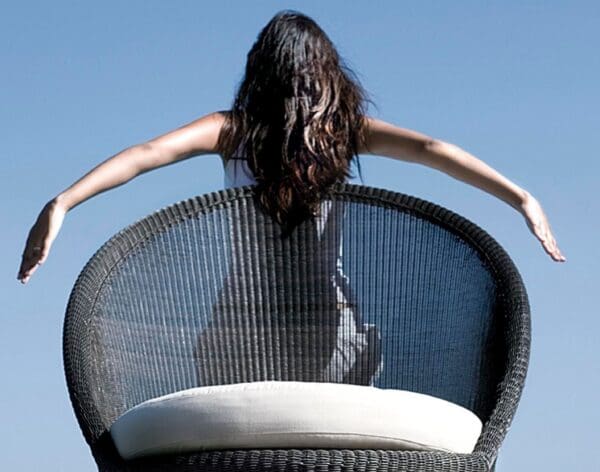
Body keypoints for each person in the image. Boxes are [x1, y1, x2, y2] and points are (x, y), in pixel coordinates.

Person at [17, 8, 565, 289]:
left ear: (262, 72)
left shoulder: (232, 129)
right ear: (327, 72)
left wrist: (63, 201)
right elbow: (431, 149)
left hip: (246, 318)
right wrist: (520, 197)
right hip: (330, 323)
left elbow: (145, 154)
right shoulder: (343, 130)